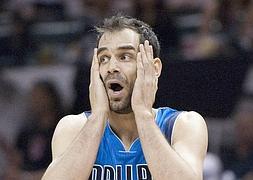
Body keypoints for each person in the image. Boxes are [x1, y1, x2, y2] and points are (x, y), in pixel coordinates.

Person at [42, 15, 208, 180]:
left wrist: (143, 115)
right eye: (104, 59)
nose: (111, 68)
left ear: (154, 68)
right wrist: (98, 116)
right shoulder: (74, 127)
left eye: (124, 57)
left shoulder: (183, 125)